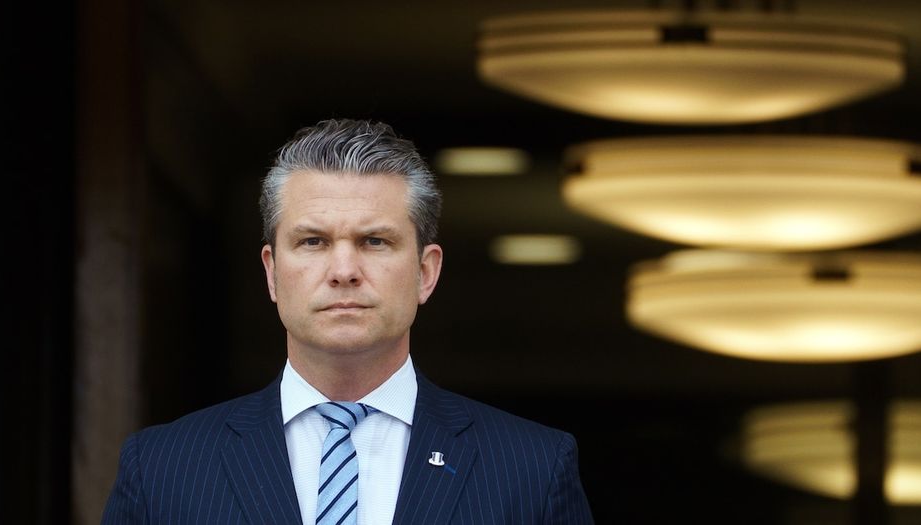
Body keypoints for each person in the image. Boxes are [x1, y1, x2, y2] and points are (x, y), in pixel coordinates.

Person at [101, 119, 594, 524]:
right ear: (272, 273)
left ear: (425, 273)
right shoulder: (163, 469)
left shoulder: (532, 470)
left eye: (374, 242)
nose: (343, 271)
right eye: (312, 242)